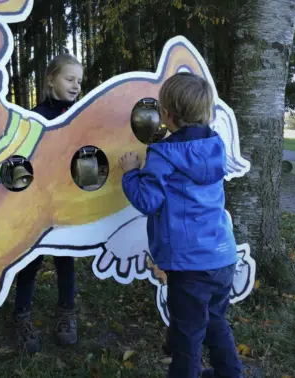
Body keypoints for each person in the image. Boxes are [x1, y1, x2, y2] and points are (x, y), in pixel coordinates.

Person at [119, 72, 243, 378]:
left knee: (188, 338)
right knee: (214, 320)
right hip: (223, 255)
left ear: (166, 114)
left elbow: (148, 201)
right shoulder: (215, 146)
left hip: (190, 266)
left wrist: (131, 172)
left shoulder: (163, 154)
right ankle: (231, 373)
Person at [13, 53, 83, 354]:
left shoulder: (82, 116)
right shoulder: (34, 117)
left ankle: (67, 314)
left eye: (79, 80)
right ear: (51, 79)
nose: (76, 85)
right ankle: (21, 316)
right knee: (31, 261)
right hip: (38, 207)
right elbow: (20, 162)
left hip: (68, 205)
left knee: (65, 260)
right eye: (70, 79)